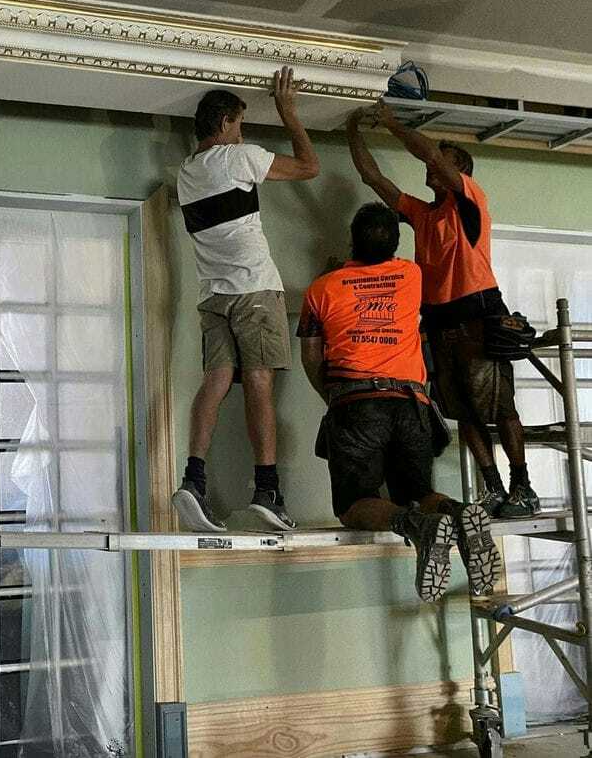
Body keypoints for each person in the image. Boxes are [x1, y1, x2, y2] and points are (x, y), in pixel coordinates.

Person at [347, 103, 540, 519]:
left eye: (443, 164)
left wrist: (393, 123)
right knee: (463, 413)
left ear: (460, 174)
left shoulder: (469, 203)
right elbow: (372, 178)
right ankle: (493, 489)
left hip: (478, 317)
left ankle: (523, 486)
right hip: (438, 323)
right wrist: (351, 129)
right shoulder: (422, 214)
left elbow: (430, 155)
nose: (431, 169)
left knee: (500, 406)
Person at [299, 203, 499, 601]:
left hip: (356, 403)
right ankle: (459, 514)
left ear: (351, 241)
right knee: (420, 490)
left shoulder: (321, 289)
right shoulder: (412, 275)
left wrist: (334, 398)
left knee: (354, 504)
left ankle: (417, 526)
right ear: (396, 243)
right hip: (412, 404)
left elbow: (310, 355)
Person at [171, 68, 320, 533]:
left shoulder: (186, 174)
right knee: (259, 384)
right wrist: (289, 114)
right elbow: (310, 166)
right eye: (239, 123)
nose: (242, 132)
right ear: (224, 125)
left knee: (216, 381)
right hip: (254, 291)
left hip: (213, 297)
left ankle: (192, 479)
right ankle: (266, 490)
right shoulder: (237, 158)